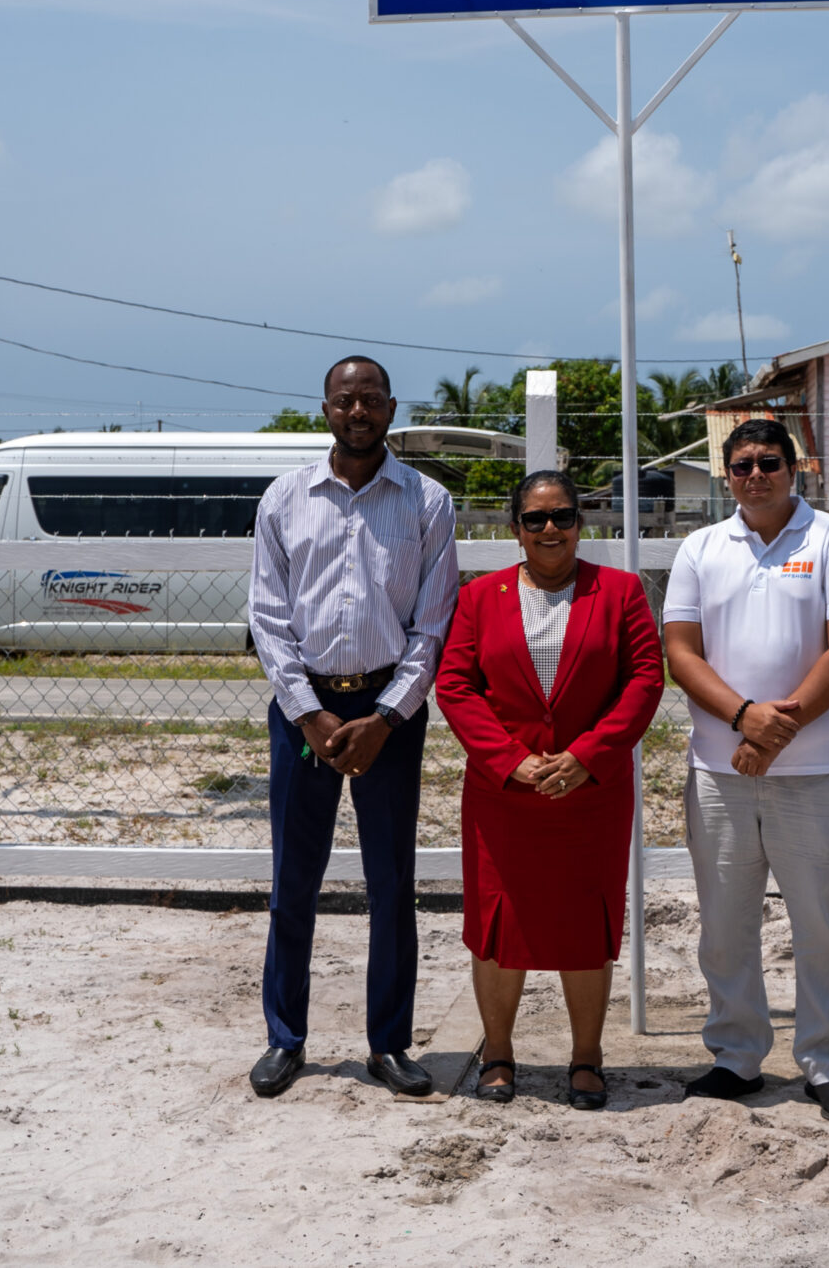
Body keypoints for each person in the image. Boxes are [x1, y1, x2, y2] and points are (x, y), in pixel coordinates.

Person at [244, 356, 457, 1100]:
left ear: (392, 407)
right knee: (291, 880)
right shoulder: (285, 498)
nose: (358, 410)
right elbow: (268, 618)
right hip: (305, 709)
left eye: (370, 398)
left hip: (388, 712)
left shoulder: (428, 502)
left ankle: (389, 1043)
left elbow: (431, 628)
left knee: (391, 882)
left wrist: (386, 716)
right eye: (345, 398)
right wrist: (309, 710)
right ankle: (285, 1037)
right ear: (326, 407)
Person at [662, 417, 829, 1122]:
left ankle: (827, 1061)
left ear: (797, 468)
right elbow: (682, 652)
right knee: (725, 925)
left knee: (822, 926)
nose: (756, 474)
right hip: (720, 769)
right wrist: (743, 720)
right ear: (726, 473)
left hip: (816, 772)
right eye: (743, 464)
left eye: (770, 462)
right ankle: (736, 1054)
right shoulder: (700, 547)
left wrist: (774, 734)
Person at [432, 470, 664, 1110]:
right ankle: (499, 1052)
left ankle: (586, 1058)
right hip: (504, 795)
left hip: (590, 793)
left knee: (585, 922)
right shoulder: (480, 597)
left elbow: (644, 679)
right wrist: (511, 760)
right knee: (498, 922)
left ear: (580, 523)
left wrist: (587, 756)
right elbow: (455, 685)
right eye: (535, 519)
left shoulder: (618, 592)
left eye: (562, 516)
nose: (550, 529)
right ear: (515, 529)